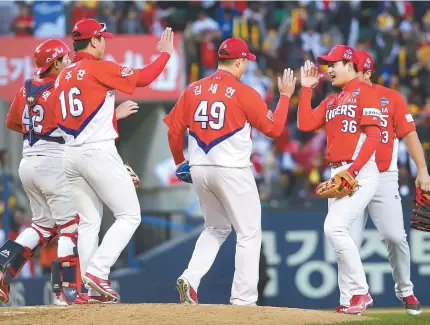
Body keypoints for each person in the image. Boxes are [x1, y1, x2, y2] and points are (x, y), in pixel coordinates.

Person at [163, 37, 296, 305]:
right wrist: (284, 97)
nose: (246, 64)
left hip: (200, 168)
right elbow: (273, 130)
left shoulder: (192, 89)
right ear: (238, 61)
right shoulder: (244, 92)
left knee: (215, 228)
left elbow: (173, 131)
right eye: (245, 60)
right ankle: (243, 299)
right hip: (232, 169)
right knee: (248, 233)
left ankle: (190, 278)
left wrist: (180, 162)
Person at [54, 18, 174, 304]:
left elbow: (74, 118)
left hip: (70, 154)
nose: (105, 42)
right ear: (93, 41)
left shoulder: (63, 75)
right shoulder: (97, 67)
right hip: (97, 152)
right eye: (102, 37)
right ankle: (98, 272)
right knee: (130, 214)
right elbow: (144, 78)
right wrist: (166, 54)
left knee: (89, 222)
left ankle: (85, 290)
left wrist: (110, 117)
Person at [335, 50, 430, 316]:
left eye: (358, 71)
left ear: (367, 72)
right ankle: (349, 298)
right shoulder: (339, 98)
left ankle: (405, 289)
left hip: (383, 174)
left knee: (394, 236)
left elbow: (410, 135)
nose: (353, 75)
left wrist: (422, 170)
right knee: (346, 237)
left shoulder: (390, 97)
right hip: (351, 177)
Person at [297, 45, 383, 314]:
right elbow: (304, 124)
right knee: (345, 239)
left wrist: (354, 171)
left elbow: (374, 136)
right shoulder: (332, 99)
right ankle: (348, 300)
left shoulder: (367, 93)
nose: (329, 69)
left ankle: (360, 292)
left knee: (333, 229)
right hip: (338, 172)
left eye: (334, 64)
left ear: (350, 64)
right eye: (327, 64)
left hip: (360, 171)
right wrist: (307, 88)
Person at [2, 39, 79, 306]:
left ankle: (2, 267)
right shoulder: (62, 86)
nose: (69, 62)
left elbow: (11, 121)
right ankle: (67, 292)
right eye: (66, 58)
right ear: (55, 63)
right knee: (71, 226)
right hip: (53, 160)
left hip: (28, 160)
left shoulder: (26, 86)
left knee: (42, 225)